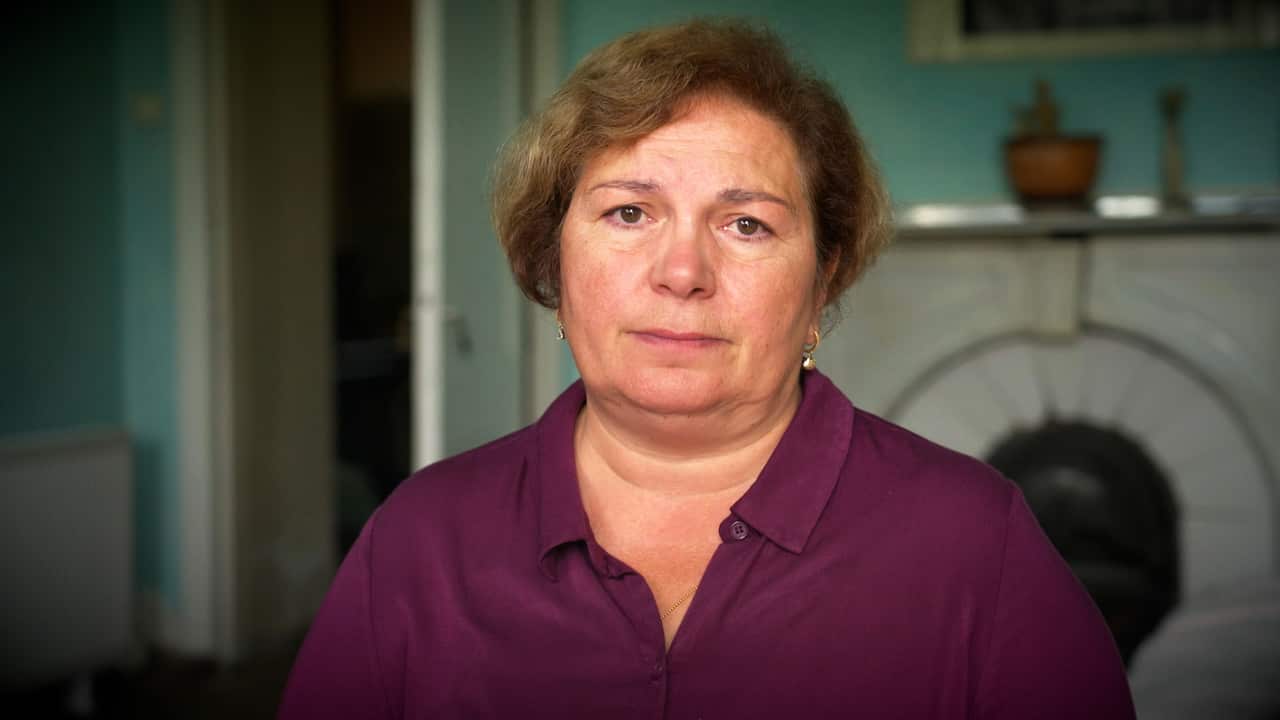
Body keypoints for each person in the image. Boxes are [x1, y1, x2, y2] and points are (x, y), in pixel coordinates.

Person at [279, 20, 1133, 719]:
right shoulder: (419, 538)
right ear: (553, 261)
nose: (681, 271)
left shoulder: (974, 542)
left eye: (747, 225)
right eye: (628, 212)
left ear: (821, 280)